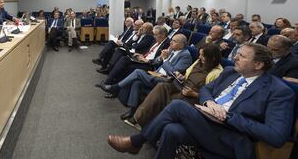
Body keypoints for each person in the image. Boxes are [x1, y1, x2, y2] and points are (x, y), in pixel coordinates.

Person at [107, 43, 296, 159]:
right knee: (171, 130)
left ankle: (136, 142)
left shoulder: (279, 91)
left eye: (242, 56)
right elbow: (206, 89)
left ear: (258, 65)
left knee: (178, 106)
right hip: (206, 121)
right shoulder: (231, 72)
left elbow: (276, 136)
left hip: (230, 138)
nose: (235, 58)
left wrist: (227, 117)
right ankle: (139, 144)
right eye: (237, 53)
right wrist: (210, 103)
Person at [128, 44, 223, 128]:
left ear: (212, 58)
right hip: (182, 85)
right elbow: (187, 75)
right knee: (162, 86)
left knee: (170, 99)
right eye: (200, 54)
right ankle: (138, 118)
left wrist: (194, 94)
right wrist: (182, 76)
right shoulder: (198, 62)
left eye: (203, 55)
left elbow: (210, 96)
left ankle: (151, 126)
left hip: (193, 96)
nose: (199, 57)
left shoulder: (217, 72)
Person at [100, 33, 193, 119]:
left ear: (182, 44)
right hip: (156, 74)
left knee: (137, 72)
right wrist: (161, 57)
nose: (171, 42)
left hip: (166, 81)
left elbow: (173, 72)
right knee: (137, 83)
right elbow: (156, 62)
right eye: (172, 40)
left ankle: (115, 87)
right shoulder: (172, 51)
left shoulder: (185, 56)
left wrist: (165, 60)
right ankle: (132, 111)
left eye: (174, 41)